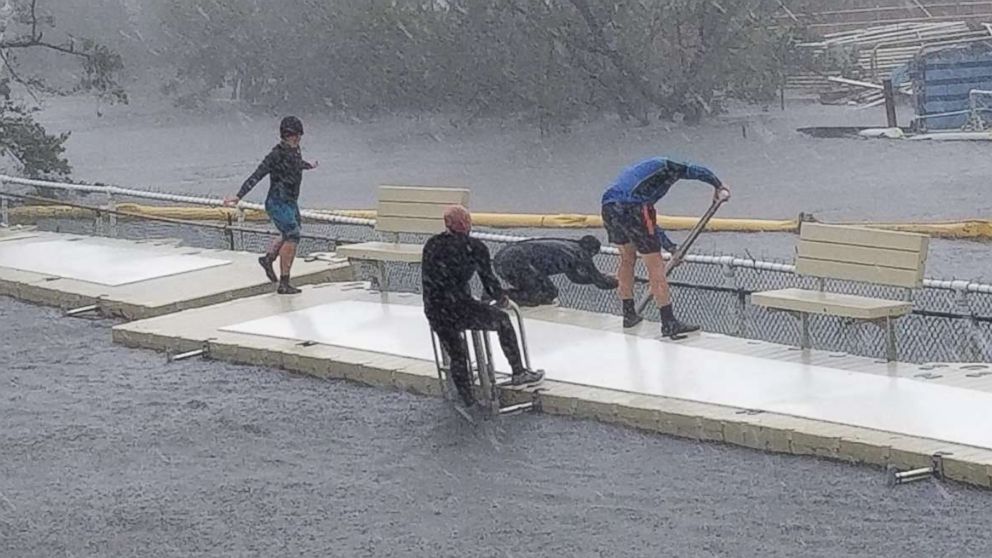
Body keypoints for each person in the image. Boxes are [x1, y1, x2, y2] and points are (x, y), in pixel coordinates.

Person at [422, 205, 544, 408]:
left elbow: (433, 279)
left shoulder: (432, 245)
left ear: (447, 225)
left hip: (435, 309)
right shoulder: (475, 248)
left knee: (458, 353)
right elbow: (489, 282)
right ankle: (518, 371)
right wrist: (501, 298)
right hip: (460, 306)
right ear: (468, 224)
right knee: (503, 321)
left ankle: (468, 399)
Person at [601, 157, 731, 338]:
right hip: (632, 207)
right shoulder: (669, 166)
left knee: (626, 259)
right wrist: (718, 185)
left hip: (609, 206)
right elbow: (695, 170)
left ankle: (628, 313)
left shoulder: (640, 176)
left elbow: (648, 224)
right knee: (655, 265)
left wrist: (670, 246)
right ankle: (668, 322)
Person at [224, 116, 318, 295]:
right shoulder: (276, 155)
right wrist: (238, 196)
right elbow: (257, 174)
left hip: (290, 201)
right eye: (293, 135)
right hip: (277, 202)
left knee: (292, 231)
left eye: (299, 135)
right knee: (292, 235)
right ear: (285, 136)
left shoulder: (295, 150)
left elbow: (296, 164)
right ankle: (284, 282)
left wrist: (309, 166)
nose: (297, 139)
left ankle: (268, 259)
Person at [493, 235, 618, 307]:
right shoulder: (581, 254)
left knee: (548, 292)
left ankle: (501, 295)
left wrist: (602, 276)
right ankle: (496, 294)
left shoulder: (569, 247)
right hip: (517, 261)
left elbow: (575, 278)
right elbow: (601, 283)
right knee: (543, 294)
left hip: (502, 259)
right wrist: (622, 281)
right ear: (592, 251)